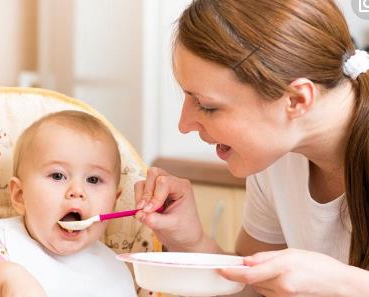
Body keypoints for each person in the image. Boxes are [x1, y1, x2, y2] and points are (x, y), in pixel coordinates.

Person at [135, 0, 369, 296]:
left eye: (207, 106)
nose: (185, 124)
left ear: (296, 100)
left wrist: (340, 283)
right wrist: (191, 242)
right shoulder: (276, 158)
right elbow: (254, 291)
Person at [0, 110, 137, 297]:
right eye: (58, 176)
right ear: (20, 195)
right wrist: (10, 279)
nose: (77, 191)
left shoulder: (113, 268)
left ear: (114, 203)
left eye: (93, 179)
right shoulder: (8, 252)